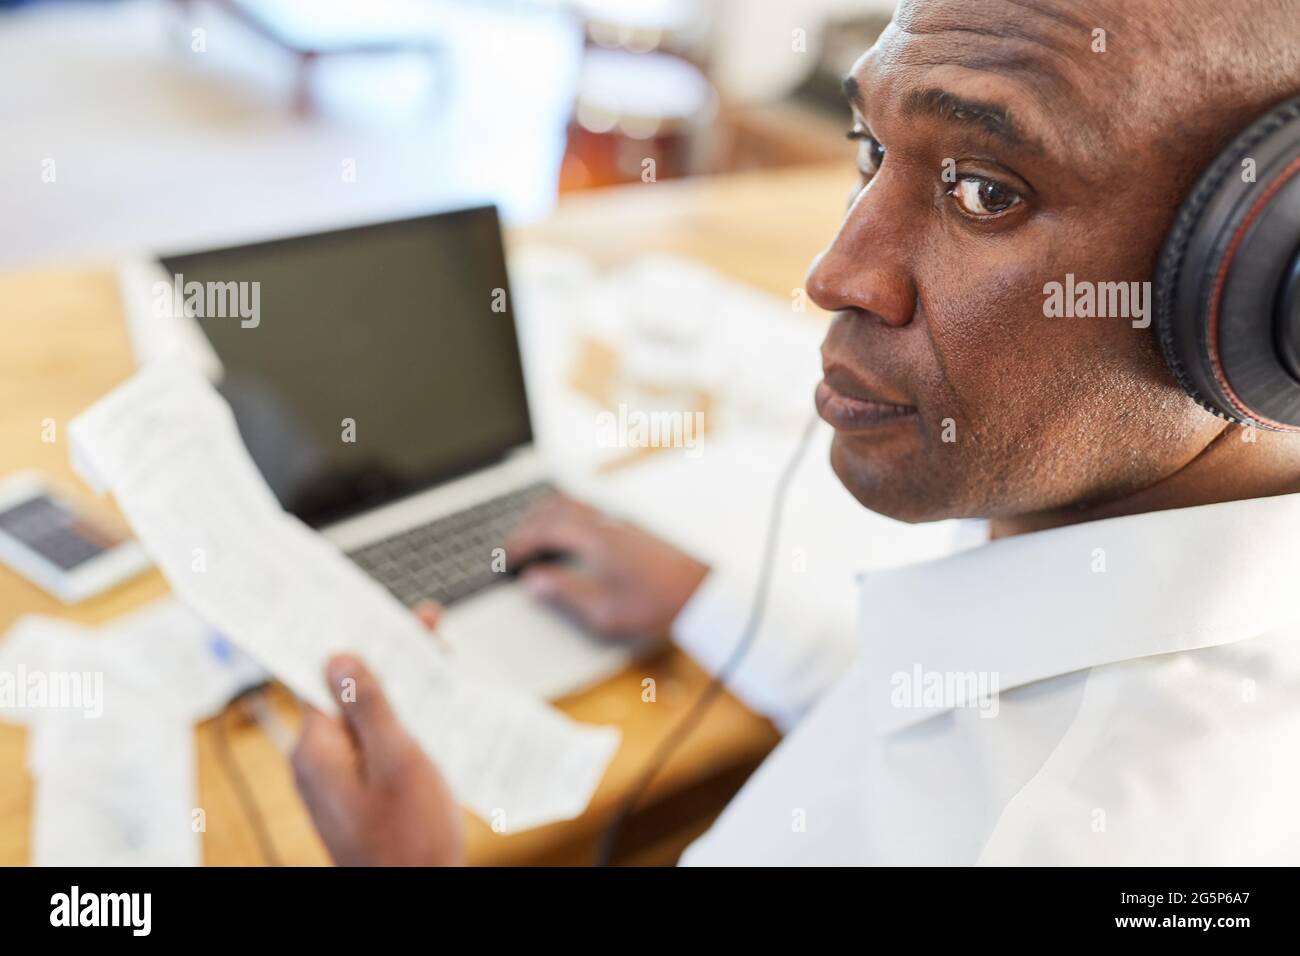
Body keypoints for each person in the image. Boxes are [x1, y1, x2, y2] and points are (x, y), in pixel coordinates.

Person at [291, 0, 1300, 865]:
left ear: (1264, 279)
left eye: (987, 190)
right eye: (869, 149)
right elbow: (928, 718)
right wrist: (703, 601)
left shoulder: (1073, 831)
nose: (834, 271)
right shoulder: (1089, 520)